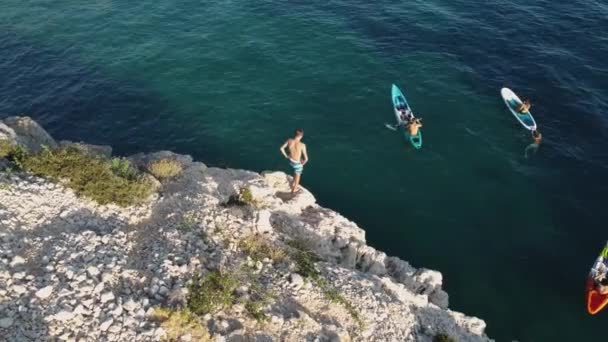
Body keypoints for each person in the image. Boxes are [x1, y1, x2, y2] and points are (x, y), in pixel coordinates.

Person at [280, 128, 308, 194]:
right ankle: (294, 189)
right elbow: (306, 159)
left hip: (291, 161)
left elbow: (281, 148)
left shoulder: (289, 140)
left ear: (295, 134)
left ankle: (292, 182)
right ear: (301, 136)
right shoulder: (302, 145)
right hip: (297, 163)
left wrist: (286, 156)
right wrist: (302, 164)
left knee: (295, 171)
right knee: (298, 176)